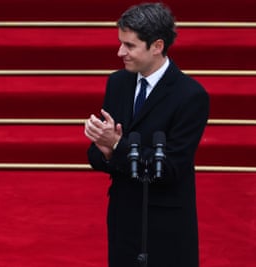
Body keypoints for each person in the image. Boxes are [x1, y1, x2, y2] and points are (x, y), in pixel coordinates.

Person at [84, 3, 209, 267]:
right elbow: (97, 155)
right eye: (121, 43)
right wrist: (105, 149)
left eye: (129, 46)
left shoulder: (190, 96)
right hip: (123, 219)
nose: (120, 52)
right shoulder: (117, 83)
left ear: (157, 46)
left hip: (166, 227)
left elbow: (171, 166)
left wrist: (116, 145)